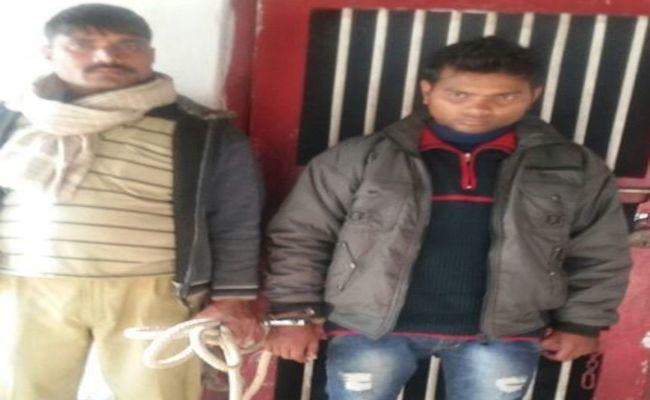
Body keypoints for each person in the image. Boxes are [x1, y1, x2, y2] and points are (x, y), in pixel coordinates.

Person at [263, 36, 631, 399]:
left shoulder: (572, 168)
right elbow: (302, 236)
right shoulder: (360, 158)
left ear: (534, 95)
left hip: (504, 333)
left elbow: (600, 250)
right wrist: (294, 316)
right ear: (427, 91)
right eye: (459, 94)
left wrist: (582, 322)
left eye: (504, 97)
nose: (479, 109)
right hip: (369, 328)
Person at [0, 4, 263, 400]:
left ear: (150, 55)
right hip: (25, 288)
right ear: (48, 53)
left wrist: (233, 299)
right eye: (82, 44)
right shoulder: (12, 119)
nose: (107, 56)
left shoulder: (202, 132)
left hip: (154, 292)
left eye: (127, 45)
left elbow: (236, 220)